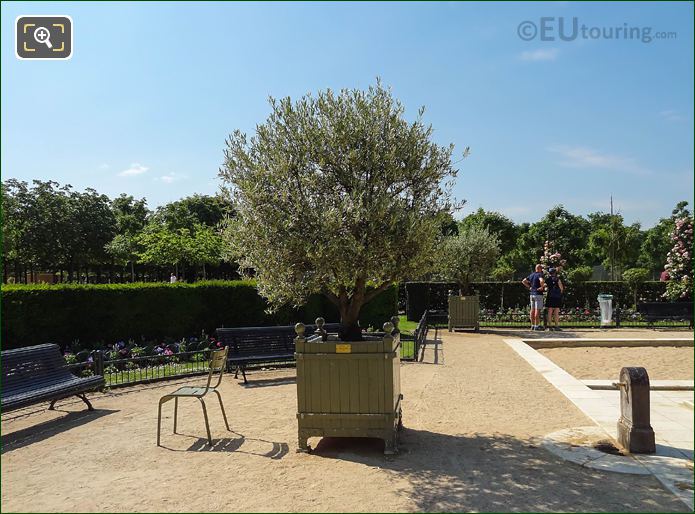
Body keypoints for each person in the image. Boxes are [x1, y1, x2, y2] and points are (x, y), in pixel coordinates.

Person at [522, 264, 545, 331]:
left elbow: (523, 281)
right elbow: (541, 281)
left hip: (532, 294)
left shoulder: (531, 275)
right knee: (537, 310)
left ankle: (532, 325)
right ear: (540, 269)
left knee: (532, 309)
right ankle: (536, 326)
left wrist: (529, 287)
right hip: (538, 294)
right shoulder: (540, 274)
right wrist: (542, 287)